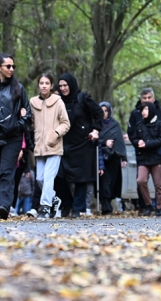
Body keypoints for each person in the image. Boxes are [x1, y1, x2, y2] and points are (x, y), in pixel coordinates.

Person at [0, 54, 31, 219]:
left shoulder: (19, 88)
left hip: (13, 137)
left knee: (6, 172)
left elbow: (27, 114)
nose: (11, 69)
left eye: (13, 67)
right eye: (8, 66)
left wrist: (17, 125)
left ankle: (4, 206)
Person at [55, 73, 103, 218]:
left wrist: (95, 130)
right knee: (59, 176)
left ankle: (77, 208)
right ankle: (67, 202)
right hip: (64, 143)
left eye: (66, 85)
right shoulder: (58, 101)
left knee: (81, 178)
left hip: (83, 143)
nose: (63, 88)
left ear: (72, 85)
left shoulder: (83, 99)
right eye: (61, 86)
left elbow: (99, 113)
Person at [29, 73, 70, 219]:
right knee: (39, 179)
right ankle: (54, 199)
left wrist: (55, 133)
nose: (44, 86)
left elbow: (66, 123)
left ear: (52, 86)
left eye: (47, 83)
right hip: (39, 147)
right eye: (41, 83)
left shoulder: (58, 102)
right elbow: (32, 124)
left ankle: (45, 208)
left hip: (54, 146)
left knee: (48, 177)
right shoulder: (33, 102)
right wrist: (26, 118)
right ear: (38, 85)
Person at [127, 102, 161, 216]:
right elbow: (133, 137)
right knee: (141, 180)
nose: (143, 112)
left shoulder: (160, 124)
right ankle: (148, 205)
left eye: (146, 109)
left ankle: (160, 207)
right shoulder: (139, 125)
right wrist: (137, 142)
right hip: (143, 158)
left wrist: (147, 144)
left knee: (158, 184)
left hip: (157, 158)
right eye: (142, 110)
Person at [98, 101, 127, 214]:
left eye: (106, 111)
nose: (104, 113)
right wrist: (104, 142)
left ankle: (109, 203)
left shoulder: (115, 125)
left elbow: (120, 142)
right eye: (102, 111)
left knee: (113, 183)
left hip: (114, 158)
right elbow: (92, 139)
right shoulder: (96, 124)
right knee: (103, 183)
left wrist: (124, 158)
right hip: (101, 158)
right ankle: (105, 207)